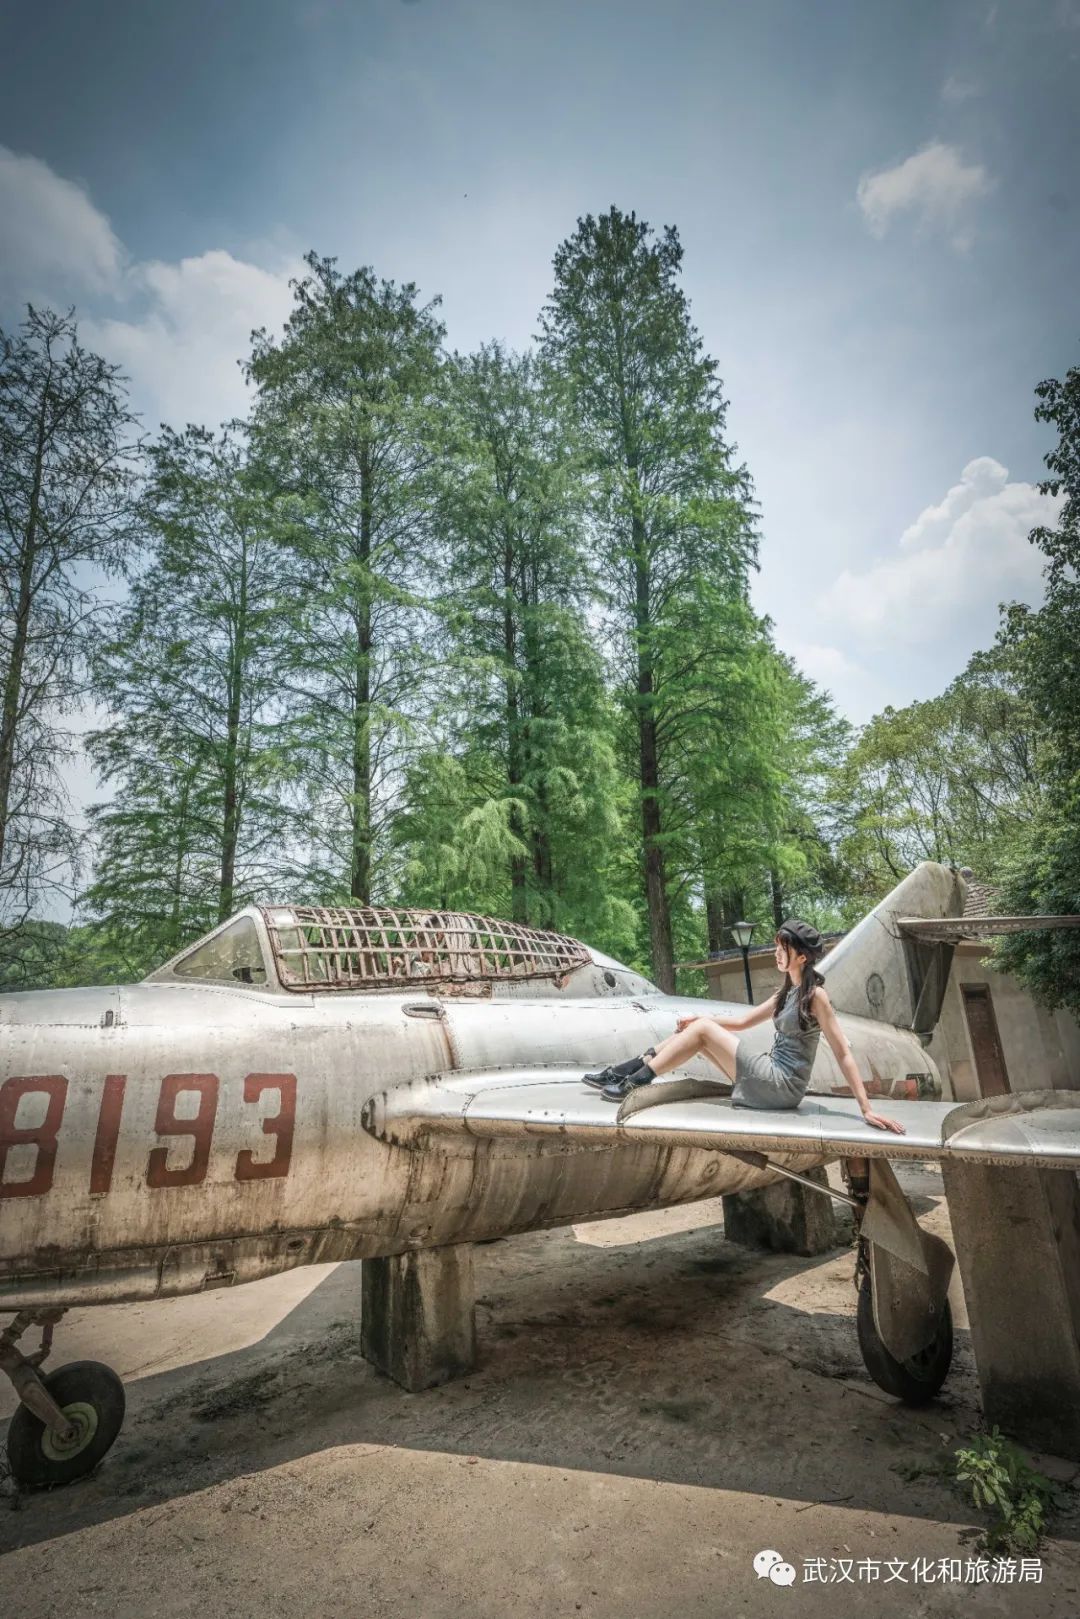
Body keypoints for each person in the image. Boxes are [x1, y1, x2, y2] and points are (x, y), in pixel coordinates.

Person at [583, 918, 907, 1134]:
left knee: (703, 1030)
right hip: (769, 1074)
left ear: (802, 957)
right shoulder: (786, 992)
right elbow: (742, 1022)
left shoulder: (816, 996)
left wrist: (866, 1109)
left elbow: (842, 1052)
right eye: (777, 947)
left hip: (782, 1085)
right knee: (698, 1029)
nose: (777, 954)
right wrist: (695, 1020)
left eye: (783, 949)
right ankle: (627, 1071)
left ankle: (636, 1082)